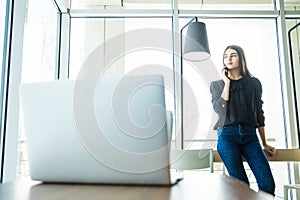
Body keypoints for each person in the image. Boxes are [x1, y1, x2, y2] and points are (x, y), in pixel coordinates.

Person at [210, 45, 276, 196]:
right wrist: (227, 83)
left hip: (250, 137)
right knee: (241, 186)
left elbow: (259, 114)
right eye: (226, 56)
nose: (229, 59)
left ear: (241, 58)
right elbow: (220, 110)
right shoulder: (217, 84)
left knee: (267, 184)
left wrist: (264, 143)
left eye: (233, 55)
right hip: (227, 136)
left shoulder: (254, 83)